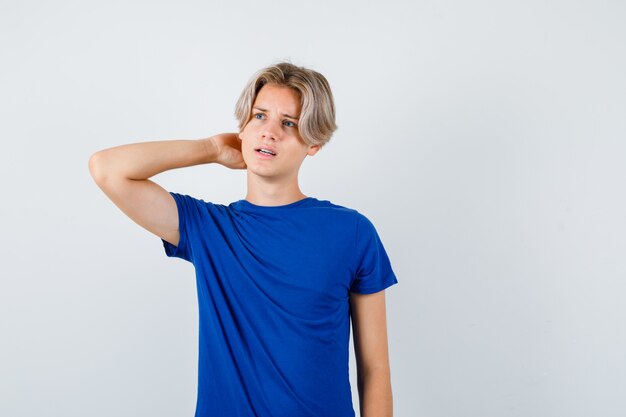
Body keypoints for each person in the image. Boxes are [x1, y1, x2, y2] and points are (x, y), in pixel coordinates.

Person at [88, 61, 398, 417]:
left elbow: (374, 369)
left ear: (314, 142)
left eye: (288, 123)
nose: (269, 132)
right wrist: (211, 149)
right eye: (259, 116)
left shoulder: (353, 232)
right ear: (243, 128)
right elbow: (107, 169)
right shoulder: (208, 228)